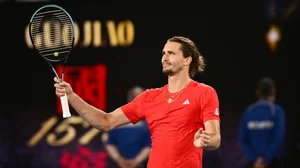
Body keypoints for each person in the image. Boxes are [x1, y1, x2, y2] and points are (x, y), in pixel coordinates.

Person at [54, 36, 221, 168]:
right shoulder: (149, 97)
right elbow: (105, 122)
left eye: (171, 53)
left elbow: (215, 138)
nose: (165, 57)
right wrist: (71, 96)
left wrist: (205, 142)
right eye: (163, 53)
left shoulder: (204, 92)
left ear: (187, 60)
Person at [238, 77, 286, 168]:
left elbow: (242, 139)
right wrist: (266, 159)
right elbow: (279, 138)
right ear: (273, 91)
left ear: (257, 93)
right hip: (273, 162)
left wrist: (255, 160)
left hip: (255, 163)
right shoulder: (277, 111)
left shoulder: (248, 112)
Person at [104, 86, 151, 168]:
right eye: (136, 97)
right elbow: (110, 143)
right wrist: (119, 159)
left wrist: (136, 161)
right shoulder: (119, 120)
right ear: (130, 100)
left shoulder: (149, 122)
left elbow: (150, 145)